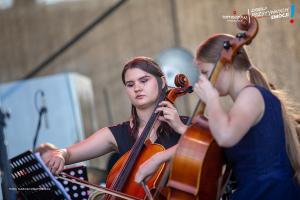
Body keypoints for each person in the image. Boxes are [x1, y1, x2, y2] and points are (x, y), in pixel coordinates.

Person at [135, 34, 300, 199]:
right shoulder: (246, 101)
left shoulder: (252, 95)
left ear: (225, 66)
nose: (204, 80)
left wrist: (212, 99)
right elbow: (211, 144)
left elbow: (225, 137)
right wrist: (159, 156)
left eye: (205, 72)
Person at [42, 56, 188, 179]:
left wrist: (182, 128)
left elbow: (209, 145)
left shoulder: (188, 125)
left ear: (162, 82)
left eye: (144, 81)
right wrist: (60, 154)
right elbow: (69, 153)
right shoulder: (118, 133)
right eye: (130, 84)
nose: (137, 88)